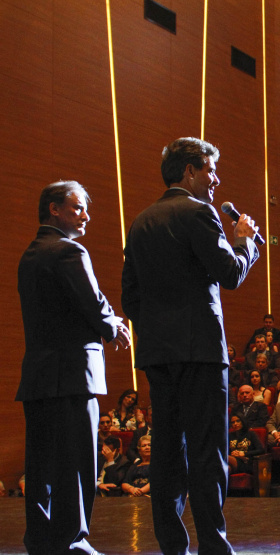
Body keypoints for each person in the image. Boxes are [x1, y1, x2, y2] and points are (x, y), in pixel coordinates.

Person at [121, 138, 259, 554]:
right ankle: (213, 547)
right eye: (211, 170)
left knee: (165, 449)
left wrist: (159, 332)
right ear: (189, 171)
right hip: (200, 352)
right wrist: (246, 240)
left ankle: (171, 546)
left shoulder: (141, 221)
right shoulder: (199, 213)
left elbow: (130, 298)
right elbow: (230, 273)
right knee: (206, 452)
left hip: (158, 355)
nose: (216, 180)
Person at [18, 181, 131, 554]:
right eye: (77, 207)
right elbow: (94, 304)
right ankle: (73, 542)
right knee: (77, 463)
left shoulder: (30, 255)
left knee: (40, 465)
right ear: (53, 209)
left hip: (37, 377)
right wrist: (114, 325)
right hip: (71, 377)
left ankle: (39, 540)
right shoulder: (69, 251)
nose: (85, 215)